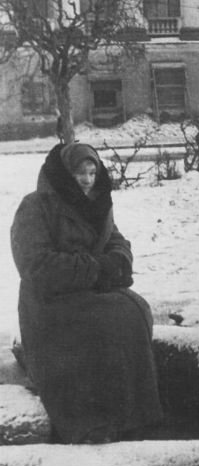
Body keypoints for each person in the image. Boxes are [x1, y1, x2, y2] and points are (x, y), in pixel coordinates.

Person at [11, 142, 163, 444]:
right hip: (49, 304)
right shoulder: (36, 206)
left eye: (93, 172)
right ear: (65, 174)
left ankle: (134, 414)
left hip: (87, 294)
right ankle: (92, 421)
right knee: (106, 320)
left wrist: (116, 263)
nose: (87, 179)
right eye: (80, 173)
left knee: (135, 310)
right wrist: (96, 268)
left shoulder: (97, 206)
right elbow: (36, 266)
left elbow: (119, 244)